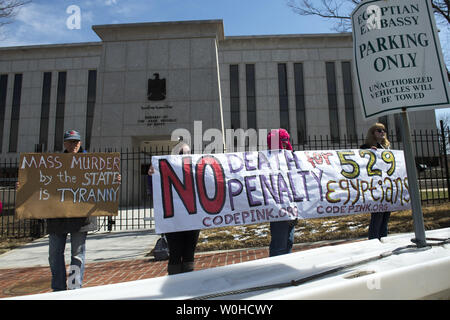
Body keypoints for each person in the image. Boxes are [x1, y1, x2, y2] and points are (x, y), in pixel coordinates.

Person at [148, 142, 200, 275]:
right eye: (182, 153)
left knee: (189, 254)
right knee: (175, 254)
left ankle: (188, 281)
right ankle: (174, 283)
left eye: (188, 153)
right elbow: (154, 191)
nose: (185, 156)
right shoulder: (162, 170)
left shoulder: (196, 170)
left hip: (192, 220)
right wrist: (151, 176)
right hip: (173, 221)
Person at [267, 129, 297, 256]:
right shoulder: (269, 160)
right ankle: (276, 272)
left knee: (289, 242)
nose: (285, 145)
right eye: (282, 143)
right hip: (278, 208)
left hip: (292, 207)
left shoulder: (291, 158)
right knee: (279, 245)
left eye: (286, 142)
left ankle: (285, 272)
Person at [360, 123, 391, 240]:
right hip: (374, 186)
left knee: (386, 216)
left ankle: (383, 238)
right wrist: (369, 152)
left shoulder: (387, 148)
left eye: (384, 130)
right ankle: (373, 240)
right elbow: (361, 162)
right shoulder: (365, 147)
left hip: (387, 185)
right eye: (379, 130)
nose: (382, 132)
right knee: (377, 215)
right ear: (372, 133)